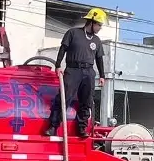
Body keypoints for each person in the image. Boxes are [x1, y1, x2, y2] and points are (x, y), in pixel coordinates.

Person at [44, 8, 108, 138]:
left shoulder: (96, 40)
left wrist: (102, 75)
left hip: (89, 72)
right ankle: (53, 126)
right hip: (73, 70)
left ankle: (82, 129)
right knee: (64, 98)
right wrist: (58, 65)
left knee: (87, 101)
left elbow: (99, 59)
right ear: (91, 22)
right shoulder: (73, 33)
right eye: (99, 25)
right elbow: (63, 49)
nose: (100, 28)